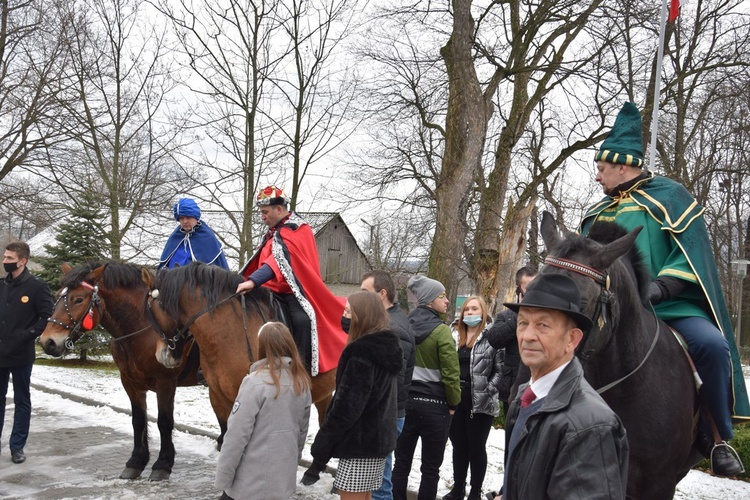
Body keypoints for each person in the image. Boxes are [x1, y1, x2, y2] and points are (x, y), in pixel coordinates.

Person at [580, 101, 749, 476]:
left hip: (670, 306)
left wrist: (660, 288)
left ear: (623, 166)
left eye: (602, 169)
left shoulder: (671, 198)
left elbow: (690, 255)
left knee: (712, 345)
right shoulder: (595, 213)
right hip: (614, 307)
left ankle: (716, 436)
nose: (598, 177)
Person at [500, 273, 629, 499]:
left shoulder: (590, 425)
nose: (528, 335)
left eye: (542, 325)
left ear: (572, 340)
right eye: (523, 323)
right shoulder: (525, 398)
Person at [300, 270, 416, 499]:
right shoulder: (384, 347)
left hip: (358, 445)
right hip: (376, 443)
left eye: (348, 311)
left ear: (361, 315)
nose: (344, 315)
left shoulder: (362, 354)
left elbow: (346, 408)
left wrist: (321, 449)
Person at [237, 186, 347, 377]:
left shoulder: (297, 230)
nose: (262, 216)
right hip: (269, 288)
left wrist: (254, 281)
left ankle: (302, 371)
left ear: (279, 209)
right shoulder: (274, 232)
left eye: (265, 212)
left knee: (302, 320)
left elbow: (279, 262)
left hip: (293, 291)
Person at [215, 322, 311, 500]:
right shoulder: (301, 382)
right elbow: (301, 433)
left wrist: (223, 479)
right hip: (281, 483)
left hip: (250, 484)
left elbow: (236, 436)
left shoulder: (254, 383)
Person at [392, 275, 460, 500]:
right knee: (430, 470)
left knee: (401, 463)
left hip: (405, 405)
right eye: (442, 296)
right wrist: (453, 403)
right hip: (435, 408)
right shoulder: (442, 332)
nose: (448, 300)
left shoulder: (403, 326)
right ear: (430, 300)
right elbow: (451, 374)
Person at [444, 296, 502, 500]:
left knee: (476, 447)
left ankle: (475, 491)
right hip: (455, 399)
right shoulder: (453, 334)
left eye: (474, 309)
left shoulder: (492, 337)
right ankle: (458, 488)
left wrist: (488, 389)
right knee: (458, 446)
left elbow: (500, 370)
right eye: (466, 309)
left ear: (483, 311)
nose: (469, 312)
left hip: (481, 401)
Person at [0, 241, 54, 464]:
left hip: (21, 354)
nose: (5, 262)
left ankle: (17, 446)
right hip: (0, 352)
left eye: (9, 259)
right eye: (4, 258)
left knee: (22, 400)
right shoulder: (1, 285)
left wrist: (25, 336)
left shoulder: (37, 287)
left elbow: (45, 318)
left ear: (22, 261)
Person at [485, 266, 536, 415]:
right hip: (514, 388)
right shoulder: (506, 316)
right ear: (518, 289)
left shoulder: (548, 315)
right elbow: (495, 339)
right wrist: (520, 314)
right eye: (529, 288)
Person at [158, 198, 229, 270]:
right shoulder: (175, 237)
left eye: (188, 217)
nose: (185, 221)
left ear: (195, 217)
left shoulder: (207, 237)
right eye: (181, 218)